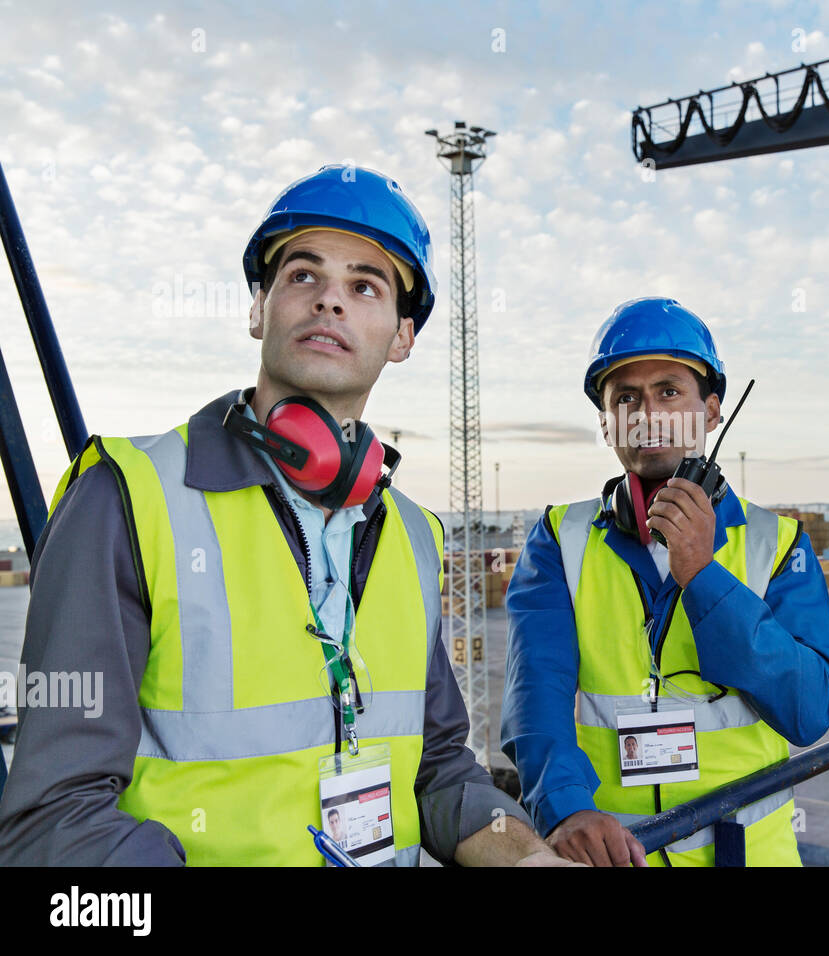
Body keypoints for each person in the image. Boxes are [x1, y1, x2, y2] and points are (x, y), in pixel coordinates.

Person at [0, 165, 572, 867]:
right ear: (257, 308)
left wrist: (529, 857)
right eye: (304, 275)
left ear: (402, 336)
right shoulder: (128, 498)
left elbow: (439, 769)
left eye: (365, 286)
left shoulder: (415, 536)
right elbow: (55, 823)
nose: (330, 300)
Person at [500, 297, 829, 867]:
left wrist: (704, 577)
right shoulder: (561, 538)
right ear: (606, 423)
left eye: (668, 391)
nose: (647, 413)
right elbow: (537, 691)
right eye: (625, 398)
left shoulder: (776, 543)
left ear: (711, 412)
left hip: (746, 855)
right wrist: (563, 809)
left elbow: (808, 710)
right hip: (615, 856)